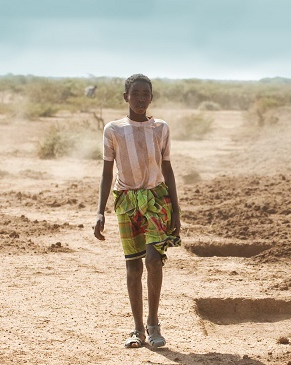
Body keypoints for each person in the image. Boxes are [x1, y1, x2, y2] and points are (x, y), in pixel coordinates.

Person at [94, 74, 181, 348]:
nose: (141, 99)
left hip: (157, 199)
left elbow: (167, 169)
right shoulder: (113, 130)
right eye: (136, 94)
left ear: (151, 98)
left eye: (146, 94)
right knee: (133, 265)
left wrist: (176, 210)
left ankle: (153, 325)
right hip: (127, 201)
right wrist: (100, 211)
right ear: (126, 97)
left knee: (154, 260)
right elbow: (107, 172)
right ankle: (137, 331)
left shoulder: (161, 128)